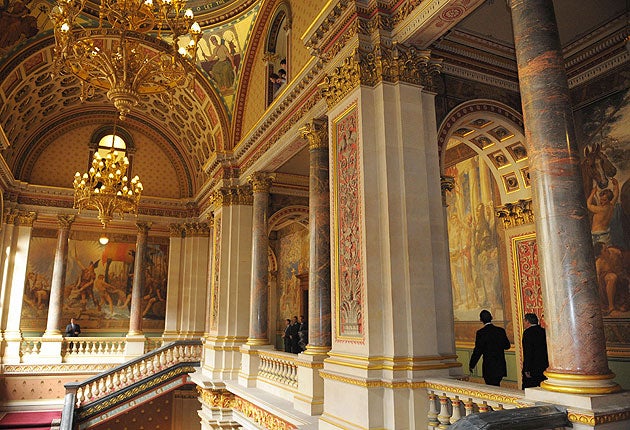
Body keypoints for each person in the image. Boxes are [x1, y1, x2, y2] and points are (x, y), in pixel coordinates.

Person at [469, 310, 510, 386]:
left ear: (481, 320)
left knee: (490, 388)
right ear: (491, 317)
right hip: (500, 365)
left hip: (488, 366)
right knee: (497, 385)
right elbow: (507, 346)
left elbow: (478, 351)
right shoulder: (500, 331)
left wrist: (472, 364)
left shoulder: (481, 333)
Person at [587, 177, 619, 245]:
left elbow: (588, 205)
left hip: (598, 237)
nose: (601, 202)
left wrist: (592, 193)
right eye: (601, 199)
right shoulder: (611, 206)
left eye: (604, 200)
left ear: (609, 200)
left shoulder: (601, 209)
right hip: (606, 235)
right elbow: (616, 195)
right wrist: (616, 185)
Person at [521, 313, 549, 389]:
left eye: (524, 321)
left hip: (532, 366)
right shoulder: (543, 331)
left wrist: (527, 368)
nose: (523, 323)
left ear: (527, 321)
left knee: (529, 388)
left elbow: (528, 352)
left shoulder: (527, 333)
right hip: (544, 365)